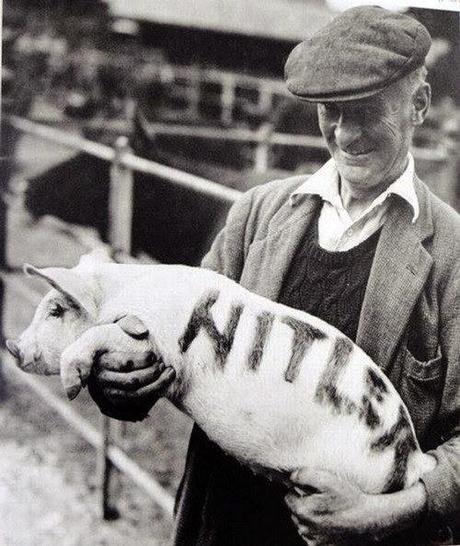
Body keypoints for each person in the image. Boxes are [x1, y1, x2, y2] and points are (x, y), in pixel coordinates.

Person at [87, 6, 459, 546]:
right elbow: (171, 345)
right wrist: (124, 381)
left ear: (418, 105)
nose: (346, 132)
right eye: (331, 110)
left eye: (368, 109)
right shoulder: (258, 213)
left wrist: (393, 512)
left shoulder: (450, 257)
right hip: (222, 523)